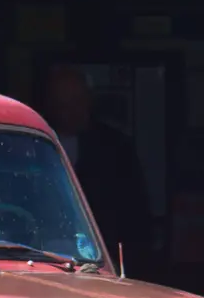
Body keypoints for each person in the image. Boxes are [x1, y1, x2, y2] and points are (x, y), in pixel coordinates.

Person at [42, 65, 156, 279]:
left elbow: (134, 212)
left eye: (76, 102)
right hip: (45, 260)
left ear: (88, 101)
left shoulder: (115, 147)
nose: (69, 111)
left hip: (104, 263)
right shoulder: (37, 147)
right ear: (50, 104)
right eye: (62, 104)